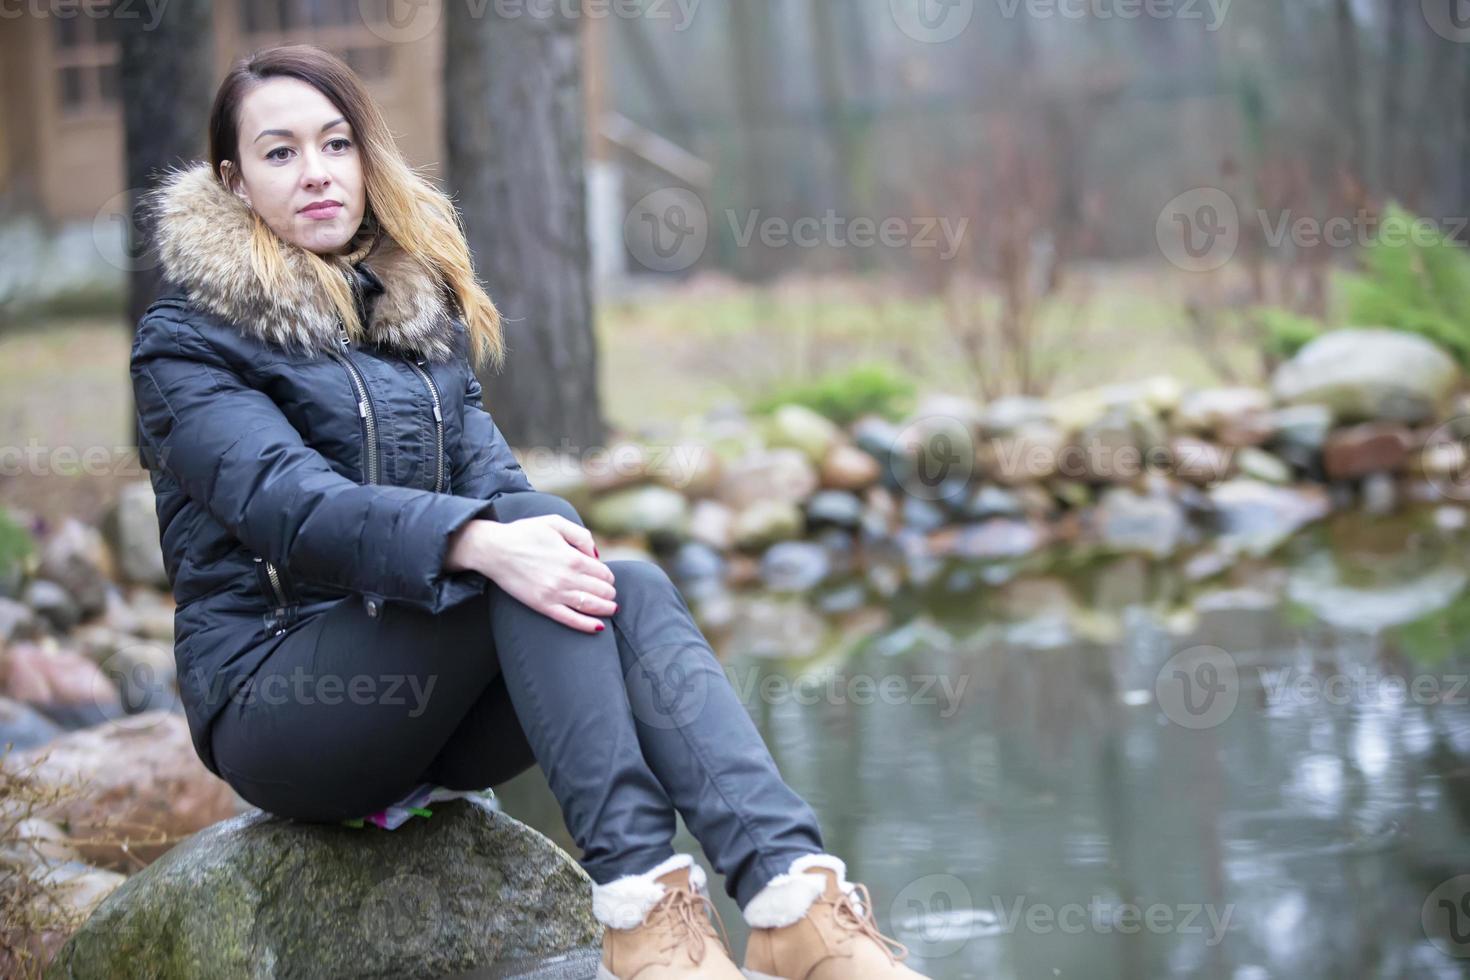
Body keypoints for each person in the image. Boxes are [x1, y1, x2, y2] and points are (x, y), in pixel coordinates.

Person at [131, 43, 926, 980]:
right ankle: (644, 920)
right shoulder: (185, 345)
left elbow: (502, 484)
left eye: (337, 144)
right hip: (283, 704)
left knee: (619, 582)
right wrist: (480, 543)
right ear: (232, 180)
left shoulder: (413, 327)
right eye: (280, 152)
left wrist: (535, 533)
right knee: (521, 571)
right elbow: (290, 506)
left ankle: (793, 896)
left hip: (424, 700)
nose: (316, 173)